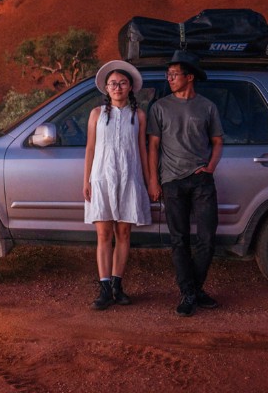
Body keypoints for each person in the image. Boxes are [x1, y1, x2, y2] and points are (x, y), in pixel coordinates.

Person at [145, 48, 224, 316]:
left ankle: (193, 289)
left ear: (189, 77)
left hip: (202, 180)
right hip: (172, 181)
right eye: (168, 74)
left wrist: (211, 167)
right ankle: (189, 293)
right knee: (179, 239)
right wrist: (154, 182)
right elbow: (153, 147)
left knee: (207, 237)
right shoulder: (160, 107)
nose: (169, 78)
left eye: (174, 74)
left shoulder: (207, 106)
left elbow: (217, 141)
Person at [82, 60, 147, 310]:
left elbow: (141, 149)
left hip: (129, 178)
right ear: (106, 89)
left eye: (122, 83)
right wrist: (86, 180)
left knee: (124, 233)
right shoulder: (96, 114)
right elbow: (90, 148)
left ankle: (118, 286)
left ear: (130, 87)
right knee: (103, 233)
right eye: (113, 84)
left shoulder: (138, 116)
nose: (117, 87)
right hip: (101, 177)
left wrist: (148, 181)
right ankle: (104, 287)